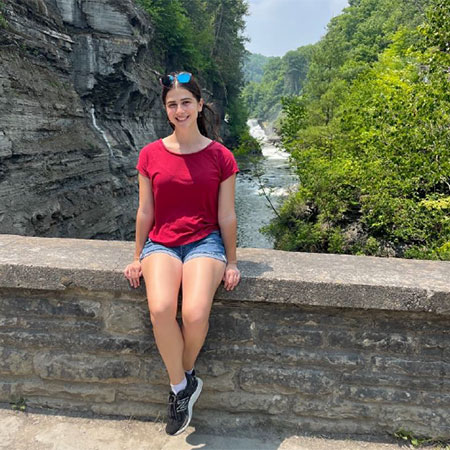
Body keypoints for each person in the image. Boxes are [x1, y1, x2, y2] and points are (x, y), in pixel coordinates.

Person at [123, 71, 240, 436]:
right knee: (159, 309)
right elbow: (145, 211)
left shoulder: (221, 157)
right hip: (162, 242)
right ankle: (180, 388)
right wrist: (137, 254)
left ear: (200, 105)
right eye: (172, 104)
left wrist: (233, 261)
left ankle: (185, 378)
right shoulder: (150, 154)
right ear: (165, 110)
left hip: (206, 242)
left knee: (193, 313)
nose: (179, 109)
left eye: (186, 102)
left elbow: (227, 214)